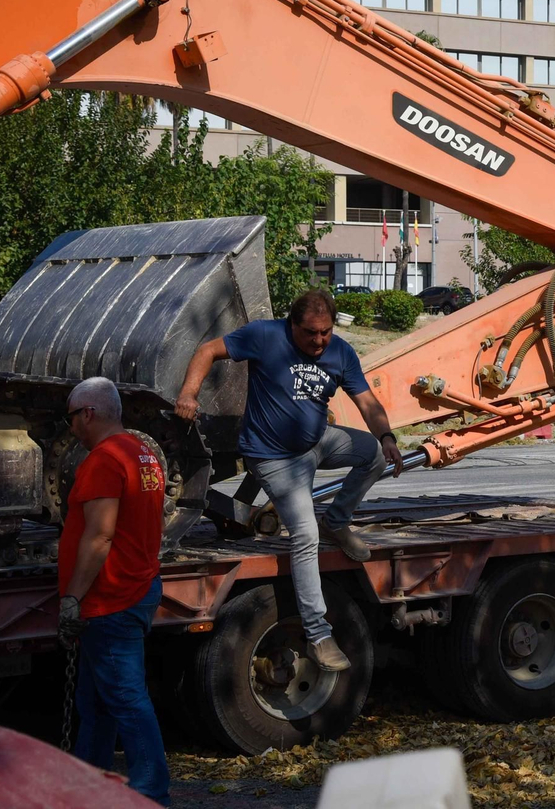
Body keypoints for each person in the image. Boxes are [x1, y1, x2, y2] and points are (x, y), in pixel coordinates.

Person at [175, 289, 401, 672]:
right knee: (304, 535)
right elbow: (207, 350)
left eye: (325, 332)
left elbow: (366, 401)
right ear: (291, 324)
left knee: (375, 455)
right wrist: (188, 393)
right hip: (273, 458)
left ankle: (337, 521)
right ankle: (318, 634)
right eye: (310, 333)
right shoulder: (264, 336)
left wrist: (387, 437)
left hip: (317, 442)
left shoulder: (340, 352)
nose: (318, 341)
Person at [57, 376, 171, 807]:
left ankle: (150, 793)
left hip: (110, 598)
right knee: (98, 702)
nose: (70, 429)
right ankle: (90, 786)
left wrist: (72, 597)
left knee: (124, 699)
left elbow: (100, 536)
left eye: (71, 419)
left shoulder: (104, 459)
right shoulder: (143, 452)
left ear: (87, 413)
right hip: (137, 586)